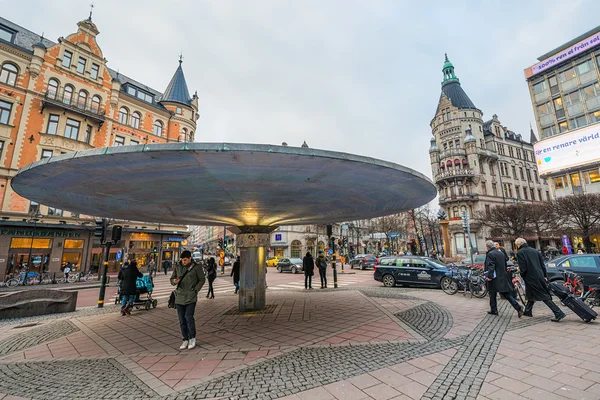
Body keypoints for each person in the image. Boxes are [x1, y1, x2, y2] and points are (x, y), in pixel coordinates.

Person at [515, 238, 566, 322]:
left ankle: (558, 312)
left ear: (518, 244)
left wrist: (521, 273)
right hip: (539, 275)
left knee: (543, 295)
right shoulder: (535, 251)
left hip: (530, 277)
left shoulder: (520, 253)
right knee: (531, 294)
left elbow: (523, 267)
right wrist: (544, 275)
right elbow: (542, 264)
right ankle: (528, 311)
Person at [170, 250, 205, 350]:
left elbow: (202, 279)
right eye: (182, 260)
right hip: (180, 297)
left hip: (191, 296)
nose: (184, 262)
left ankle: (192, 337)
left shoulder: (197, 267)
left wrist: (195, 290)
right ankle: (185, 339)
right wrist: (174, 281)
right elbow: (172, 279)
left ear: (190, 258)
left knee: (188, 317)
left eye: (185, 260)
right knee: (181, 320)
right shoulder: (178, 266)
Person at [484, 240, 523, 317]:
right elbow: (504, 264)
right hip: (502, 276)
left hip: (494, 278)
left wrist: (489, 276)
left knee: (492, 293)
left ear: (488, 247)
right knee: (506, 294)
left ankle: (494, 310)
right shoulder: (500, 253)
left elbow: (491, 266)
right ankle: (517, 307)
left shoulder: (490, 254)